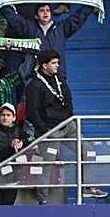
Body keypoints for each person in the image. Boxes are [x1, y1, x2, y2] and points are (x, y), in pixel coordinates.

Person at [25, 49, 78, 204]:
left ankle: (88, 187)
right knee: (46, 166)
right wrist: (45, 130)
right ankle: (43, 200)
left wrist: (70, 119)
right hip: (50, 131)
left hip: (67, 126)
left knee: (87, 152)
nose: (57, 65)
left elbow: (68, 100)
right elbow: (32, 113)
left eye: (58, 62)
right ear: (44, 65)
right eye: (54, 63)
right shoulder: (34, 85)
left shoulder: (60, 79)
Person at [0, 102, 28, 205]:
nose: (5, 118)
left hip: (12, 179)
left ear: (14, 118)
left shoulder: (19, 131)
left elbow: (32, 138)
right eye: (3, 115)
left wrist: (22, 143)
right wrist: (11, 149)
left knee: (8, 208)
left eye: (8, 115)